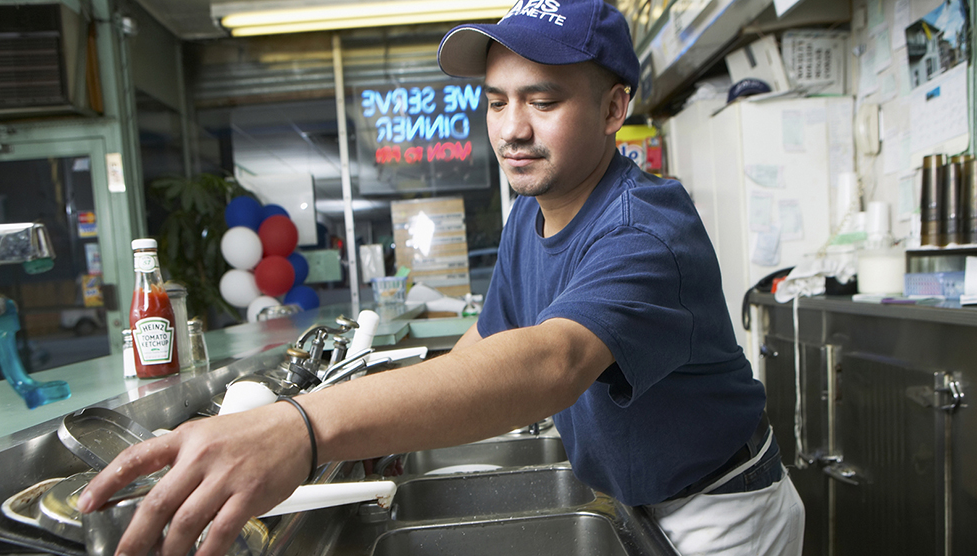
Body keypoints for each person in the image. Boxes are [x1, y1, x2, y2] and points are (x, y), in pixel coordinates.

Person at [79, 1, 804, 555]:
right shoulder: (533, 213)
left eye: (542, 100)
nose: (511, 129)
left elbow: (554, 361)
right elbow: (488, 342)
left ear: (614, 108)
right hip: (629, 495)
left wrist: (302, 429)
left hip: (719, 511)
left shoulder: (644, 230)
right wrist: (373, 428)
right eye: (496, 101)